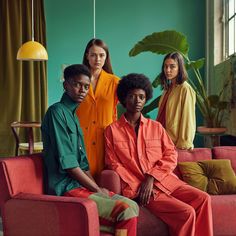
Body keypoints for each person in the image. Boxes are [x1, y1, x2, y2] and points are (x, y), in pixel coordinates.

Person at [105, 73, 213, 236]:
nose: (137, 100)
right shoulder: (112, 131)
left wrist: (151, 177)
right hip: (141, 190)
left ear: (146, 98)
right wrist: (139, 187)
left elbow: (171, 155)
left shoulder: (156, 127)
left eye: (141, 96)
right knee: (186, 213)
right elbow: (113, 164)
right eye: (132, 96)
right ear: (123, 99)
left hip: (165, 181)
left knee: (204, 198)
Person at [41, 64, 138, 235]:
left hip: (80, 186)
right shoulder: (56, 112)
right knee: (125, 211)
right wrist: (97, 190)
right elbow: (70, 165)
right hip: (65, 189)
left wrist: (98, 188)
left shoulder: (74, 117)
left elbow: (83, 165)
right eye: (77, 84)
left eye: (86, 86)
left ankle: (88, 227)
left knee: (132, 205)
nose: (82, 90)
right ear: (66, 85)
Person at [76, 38, 120, 178]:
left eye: (102, 55)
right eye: (93, 55)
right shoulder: (77, 81)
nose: (97, 59)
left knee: (105, 179)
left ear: (106, 57)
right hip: (82, 139)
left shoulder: (115, 82)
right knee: (83, 178)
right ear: (87, 56)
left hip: (106, 138)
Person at [156, 52, 196, 149]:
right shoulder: (167, 89)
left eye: (172, 66)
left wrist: (183, 145)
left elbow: (188, 119)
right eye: (165, 67)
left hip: (175, 145)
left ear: (180, 68)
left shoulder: (185, 89)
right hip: (161, 141)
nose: (168, 70)